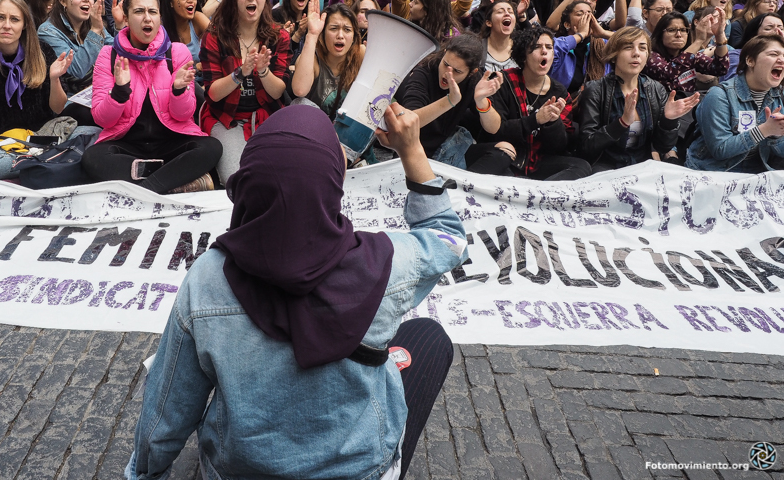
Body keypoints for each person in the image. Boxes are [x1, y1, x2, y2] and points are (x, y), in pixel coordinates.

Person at [125, 102, 468, 480]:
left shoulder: (207, 279)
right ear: (332, 187)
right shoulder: (384, 264)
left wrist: (143, 475)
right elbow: (447, 238)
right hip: (360, 471)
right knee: (428, 338)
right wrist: (411, 150)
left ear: (246, 185)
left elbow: (166, 413)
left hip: (237, 471)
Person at [82, 0, 222, 194]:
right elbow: (103, 120)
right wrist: (119, 92)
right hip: (127, 143)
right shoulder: (109, 55)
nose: (147, 18)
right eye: (139, 11)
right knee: (92, 158)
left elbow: (183, 115)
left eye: (152, 12)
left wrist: (178, 90)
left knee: (211, 148)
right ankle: (172, 181)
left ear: (159, 17)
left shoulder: (176, 51)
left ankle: (146, 189)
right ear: (127, 18)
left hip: (172, 140)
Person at [0, 0, 90, 179]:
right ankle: (57, 162)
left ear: (25, 24)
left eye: (15, 19)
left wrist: (54, 79)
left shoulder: (42, 51)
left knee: (94, 134)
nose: (7, 25)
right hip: (3, 143)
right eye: (0, 18)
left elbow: (58, 108)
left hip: (45, 135)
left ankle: (40, 163)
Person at [199, 0, 291, 185]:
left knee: (280, 173)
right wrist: (241, 73)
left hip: (268, 115)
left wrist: (262, 71)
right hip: (226, 118)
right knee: (237, 178)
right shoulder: (214, 36)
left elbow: (277, 91)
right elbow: (212, 94)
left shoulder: (279, 35)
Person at [465, 25, 592, 180]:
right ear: (524, 55)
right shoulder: (504, 81)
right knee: (501, 164)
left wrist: (552, 123)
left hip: (538, 160)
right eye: (537, 47)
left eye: (549, 47)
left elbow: (559, 147)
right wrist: (536, 120)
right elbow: (497, 132)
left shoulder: (560, 92)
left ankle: (538, 195)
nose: (544, 51)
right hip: (506, 156)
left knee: (582, 166)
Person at [578, 27, 699, 171]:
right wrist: (621, 124)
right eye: (628, 47)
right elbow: (587, 146)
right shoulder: (596, 90)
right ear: (614, 55)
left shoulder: (655, 89)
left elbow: (663, 147)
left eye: (642, 48)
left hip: (642, 165)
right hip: (604, 165)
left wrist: (669, 121)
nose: (636, 53)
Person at [686, 34, 784, 173]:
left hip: (758, 172)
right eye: (773, 54)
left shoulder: (779, 96)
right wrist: (765, 130)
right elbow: (720, 149)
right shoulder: (719, 95)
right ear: (750, 60)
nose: (781, 60)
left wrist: (776, 136)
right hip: (716, 173)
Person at [399, 34, 495, 167]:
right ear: (444, 53)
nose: (447, 74)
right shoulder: (424, 71)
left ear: (472, 72)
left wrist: (481, 101)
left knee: (503, 151)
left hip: (446, 147)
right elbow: (408, 121)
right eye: (445, 64)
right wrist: (449, 101)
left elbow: (493, 128)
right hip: (413, 151)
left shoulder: (474, 81)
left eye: (457, 71)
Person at [37, 0, 112, 95]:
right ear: (63, 1)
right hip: (69, 100)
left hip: (98, 91)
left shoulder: (92, 22)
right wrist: (96, 31)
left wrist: (119, 26)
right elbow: (76, 70)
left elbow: (117, 50)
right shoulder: (47, 32)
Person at [290, 0, 363, 117]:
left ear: (354, 36)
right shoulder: (312, 59)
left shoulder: (360, 55)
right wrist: (312, 34)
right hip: (314, 127)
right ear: (323, 34)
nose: (340, 36)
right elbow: (300, 90)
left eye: (347, 30)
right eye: (334, 28)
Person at [644, 8, 729, 97]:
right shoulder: (650, 56)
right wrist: (698, 41)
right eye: (671, 30)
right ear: (660, 34)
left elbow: (721, 68)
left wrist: (719, 37)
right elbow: (670, 73)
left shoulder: (691, 57)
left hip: (688, 106)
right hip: (662, 107)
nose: (678, 35)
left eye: (683, 30)